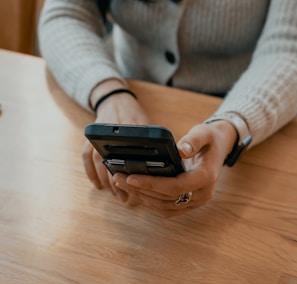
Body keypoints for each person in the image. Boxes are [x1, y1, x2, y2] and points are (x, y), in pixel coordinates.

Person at [38, 0, 297, 217]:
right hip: (130, 88)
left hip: (252, 109)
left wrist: (232, 124)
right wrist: (108, 92)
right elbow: (65, 14)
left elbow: (289, 48)